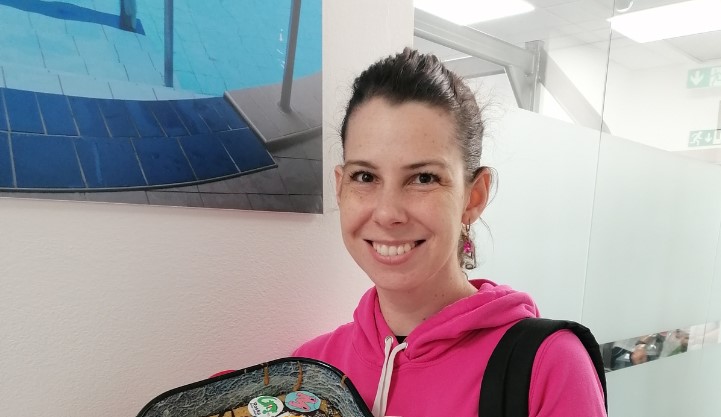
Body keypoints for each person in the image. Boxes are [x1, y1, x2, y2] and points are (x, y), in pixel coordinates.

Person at [293, 48, 606, 417]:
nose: (388, 213)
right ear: (340, 187)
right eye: (365, 176)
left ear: (473, 197)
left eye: (424, 178)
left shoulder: (548, 367)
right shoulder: (305, 374)